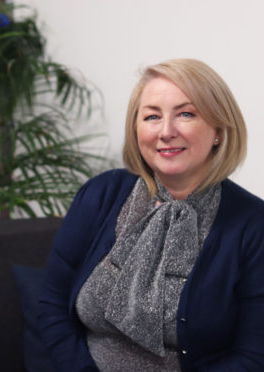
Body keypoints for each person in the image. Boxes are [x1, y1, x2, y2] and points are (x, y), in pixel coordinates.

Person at [37, 59, 264, 371]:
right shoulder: (101, 194)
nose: (166, 131)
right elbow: (51, 303)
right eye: (152, 116)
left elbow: (253, 356)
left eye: (186, 114)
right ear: (136, 129)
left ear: (219, 132)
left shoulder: (253, 225)